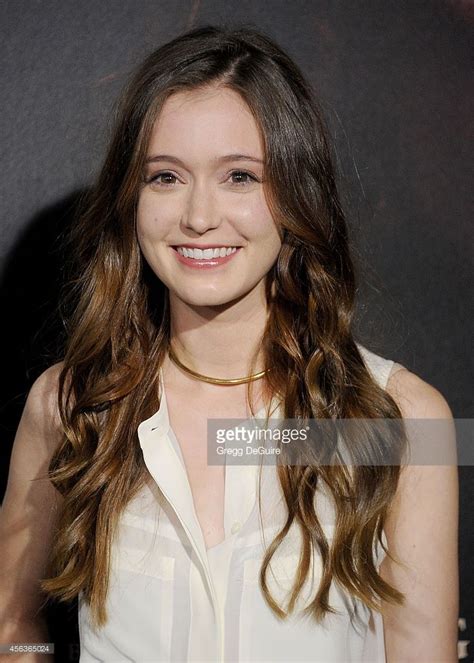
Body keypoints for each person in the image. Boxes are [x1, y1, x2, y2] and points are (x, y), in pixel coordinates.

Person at [0, 24, 458, 663]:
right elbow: (13, 623)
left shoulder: (397, 421)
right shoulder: (74, 404)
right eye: (165, 177)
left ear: (295, 192)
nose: (198, 215)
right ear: (130, 197)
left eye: (240, 176)